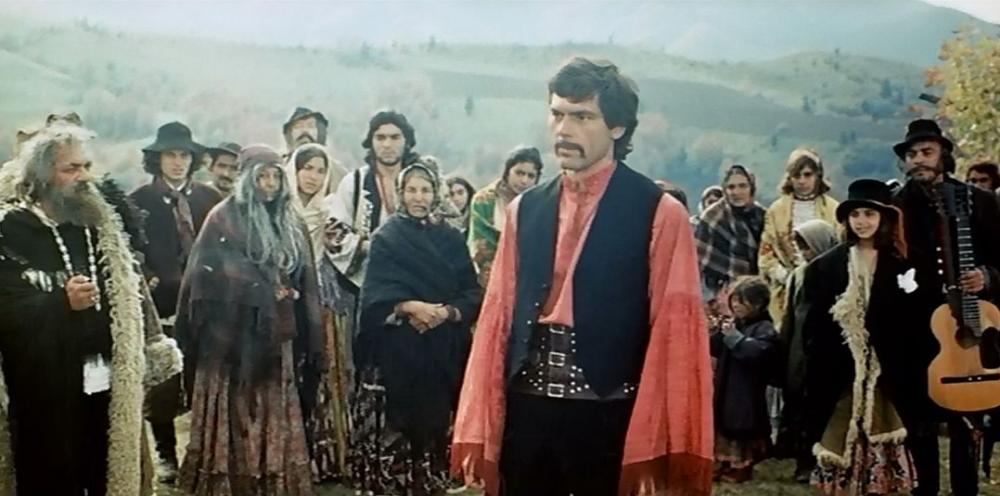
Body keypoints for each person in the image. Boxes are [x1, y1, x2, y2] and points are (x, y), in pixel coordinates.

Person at [451, 56, 713, 496]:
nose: (564, 129)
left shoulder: (659, 212)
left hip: (607, 413)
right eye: (557, 114)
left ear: (617, 127)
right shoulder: (525, 209)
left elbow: (675, 330)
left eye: (582, 116)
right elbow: (499, 317)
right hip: (528, 408)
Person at [0, 117, 182, 495]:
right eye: (71, 169)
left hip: (104, 379)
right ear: (43, 176)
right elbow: (7, 309)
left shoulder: (99, 227)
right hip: (42, 387)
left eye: (86, 166)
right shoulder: (11, 230)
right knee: (48, 475)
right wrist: (59, 302)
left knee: (104, 471)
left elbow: (132, 291)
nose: (83, 177)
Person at [175, 144, 327, 496]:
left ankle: (272, 482)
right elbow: (205, 282)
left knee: (274, 411)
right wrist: (262, 293)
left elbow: (307, 280)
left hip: (278, 339)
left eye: (276, 177)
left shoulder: (291, 221)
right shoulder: (222, 219)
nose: (270, 185)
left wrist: (289, 301)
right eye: (262, 177)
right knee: (234, 415)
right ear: (247, 180)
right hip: (229, 345)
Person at [353, 161, 481, 495]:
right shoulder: (387, 238)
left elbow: (471, 292)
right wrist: (409, 307)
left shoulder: (451, 239)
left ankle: (432, 479)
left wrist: (446, 313)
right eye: (411, 190)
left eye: (425, 190)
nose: (418, 197)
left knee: (435, 421)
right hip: (398, 348)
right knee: (399, 422)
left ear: (436, 193)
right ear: (401, 193)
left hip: (441, 348)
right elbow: (373, 298)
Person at [891, 119, 1000, 496]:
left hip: (968, 326)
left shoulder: (981, 202)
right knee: (918, 422)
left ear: (944, 156)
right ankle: (924, 489)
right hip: (914, 327)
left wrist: (988, 277)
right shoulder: (895, 207)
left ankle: (966, 489)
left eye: (926, 152)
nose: (918, 159)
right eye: (911, 154)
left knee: (966, 419)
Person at [800, 179, 919, 496]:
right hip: (842, 370)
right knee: (841, 432)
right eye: (855, 215)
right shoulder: (826, 266)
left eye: (869, 214)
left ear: (883, 218)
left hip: (887, 370)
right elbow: (815, 326)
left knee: (884, 424)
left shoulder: (903, 262)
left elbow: (914, 320)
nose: (862, 221)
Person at [129, 121, 223, 483]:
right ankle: (166, 454)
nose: (178, 162)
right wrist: (148, 275)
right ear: (157, 159)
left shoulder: (210, 199)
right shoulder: (138, 201)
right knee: (164, 380)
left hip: (206, 303)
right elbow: (128, 248)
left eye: (184, 155)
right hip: (162, 304)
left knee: (206, 378)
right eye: (170, 155)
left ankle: (205, 452)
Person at [284, 142, 351, 481]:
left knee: (325, 374)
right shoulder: (282, 211)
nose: (313, 176)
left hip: (324, 301)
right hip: (288, 302)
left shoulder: (331, 210)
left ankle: (326, 457)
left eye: (320, 170)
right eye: (307, 168)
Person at [774, 219, 840, 482]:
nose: (804, 252)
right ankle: (803, 460)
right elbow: (791, 315)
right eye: (800, 247)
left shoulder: (838, 272)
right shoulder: (799, 275)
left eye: (808, 246)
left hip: (827, 349)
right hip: (800, 347)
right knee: (800, 405)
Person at [758, 148, 839, 324]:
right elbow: (766, 253)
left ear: (818, 176)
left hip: (826, 284)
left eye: (807, 175)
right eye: (796, 175)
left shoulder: (834, 209)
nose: (802, 181)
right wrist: (783, 275)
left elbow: (841, 247)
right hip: (786, 290)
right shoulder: (776, 211)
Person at [711, 276, 779, 483]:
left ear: (758, 304)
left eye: (742, 301)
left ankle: (741, 467)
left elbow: (756, 352)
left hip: (746, 392)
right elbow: (715, 348)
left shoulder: (764, 328)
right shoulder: (736, 325)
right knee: (725, 426)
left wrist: (733, 337)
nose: (736, 306)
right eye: (734, 300)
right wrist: (717, 333)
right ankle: (723, 463)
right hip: (727, 387)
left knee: (740, 429)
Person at [467, 145, 543, 286]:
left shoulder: (540, 203)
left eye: (531, 176)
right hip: (490, 276)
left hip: (528, 278)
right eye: (519, 173)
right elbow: (481, 246)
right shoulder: (485, 200)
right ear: (507, 172)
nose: (524, 181)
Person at [695, 164, 767, 303]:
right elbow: (701, 258)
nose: (737, 192)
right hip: (719, 290)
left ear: (751, 188)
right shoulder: (712, 217)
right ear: (725, 190)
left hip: (760, 288)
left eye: (742, 186)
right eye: (731, 187)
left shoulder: (762, 215)